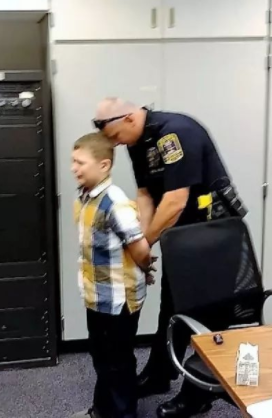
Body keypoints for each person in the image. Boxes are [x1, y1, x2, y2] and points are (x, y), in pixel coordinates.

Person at [93, 98, 238, 417]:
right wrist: (141, 241)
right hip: (182, 237)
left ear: (129, 118)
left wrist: (143, 244)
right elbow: (146, 194)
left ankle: (197, 395)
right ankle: (159, 374)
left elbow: (174, 201)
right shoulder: (137, 142)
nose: (115, 144)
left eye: (115, 136)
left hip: (214, 237)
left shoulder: (176, 133)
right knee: (171, 310)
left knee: (208, 321)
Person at [70, 133, 154, 418]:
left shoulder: (115, 202)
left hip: (119, 299)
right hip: (97, 295)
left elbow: (141, 250)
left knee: (117, 362)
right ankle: (102, 410)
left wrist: (145, 269)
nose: (74, 168)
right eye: (73, 161)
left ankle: (123, 414)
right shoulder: (84, 197)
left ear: (104, 165)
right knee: (102, 357)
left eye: (80, 162)